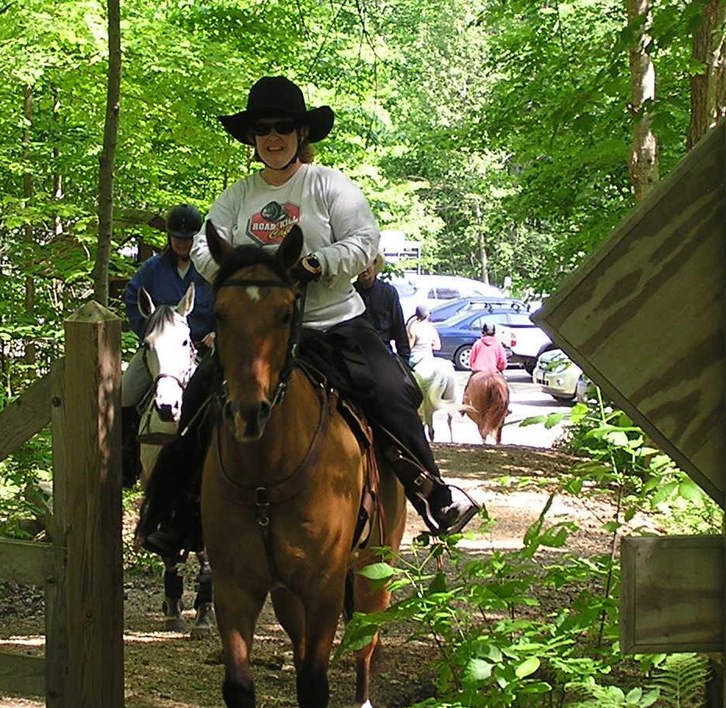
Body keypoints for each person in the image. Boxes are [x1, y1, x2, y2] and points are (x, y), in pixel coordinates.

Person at [136, 75, 481, 556]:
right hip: (259, 333)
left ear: (301, 134)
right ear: (252, 140)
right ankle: (178, 514)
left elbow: (364, 240)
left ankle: (432, 492)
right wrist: (241, 272)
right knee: (196, 396)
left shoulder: (329, 185)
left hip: (333, 320)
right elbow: (202, 244)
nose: (273, 137)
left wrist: (319, 264)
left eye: (283, 127)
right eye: (263, 129)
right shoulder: (237, 195)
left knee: (391, 388)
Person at [120, 204, 215, 487]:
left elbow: (229, 305)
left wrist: (218, 332)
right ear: (169, 238)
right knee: (125, 393)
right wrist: (152, 336)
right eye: (178, 237)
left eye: (188, 238)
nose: (183, 243)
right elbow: (132, 300)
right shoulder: (152, 269)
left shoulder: (211, 270)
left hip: (205, 348)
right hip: (159, 351)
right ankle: (127, 461)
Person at [356, 256, 410, 361]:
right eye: (360, 264)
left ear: (374, 264)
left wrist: (404, 360)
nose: (364, 268)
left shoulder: (388, 292)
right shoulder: (351, 294)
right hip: (357, 353)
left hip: (383, 351)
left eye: (367, 263)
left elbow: (399, 327)